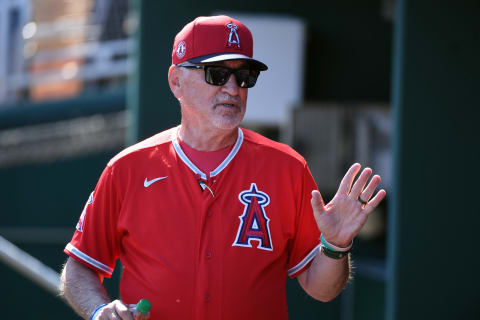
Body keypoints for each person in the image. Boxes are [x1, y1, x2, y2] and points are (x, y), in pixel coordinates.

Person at [59, 15, 386, 320]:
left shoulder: (287, 168)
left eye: (244, 76)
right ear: (177, 82)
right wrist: (99, 311)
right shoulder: (127, 168)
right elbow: (80, 267)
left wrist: (335, 246)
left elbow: (322, 289)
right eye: (217, 74)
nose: (232, 88)